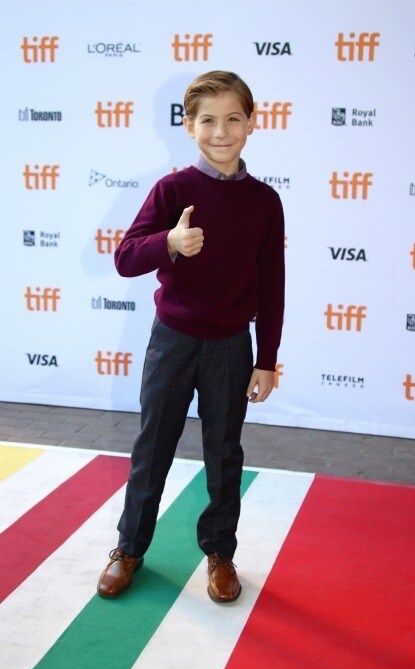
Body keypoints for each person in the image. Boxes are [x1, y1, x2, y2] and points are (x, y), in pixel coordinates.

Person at [97, 70, 285, 603]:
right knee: (151, 447)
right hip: (173, 339)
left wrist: (266, 358)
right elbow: (125, 259)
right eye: (208, 120)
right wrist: (170, 242)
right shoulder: (173, 189)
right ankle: (129, 548)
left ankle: (220, 553)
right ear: (188, 126)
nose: (220, 131)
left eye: (232, 119)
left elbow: (273, 284)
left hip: (231, 346)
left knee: (225, 452)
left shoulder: (265, 202)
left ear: (251, 123)